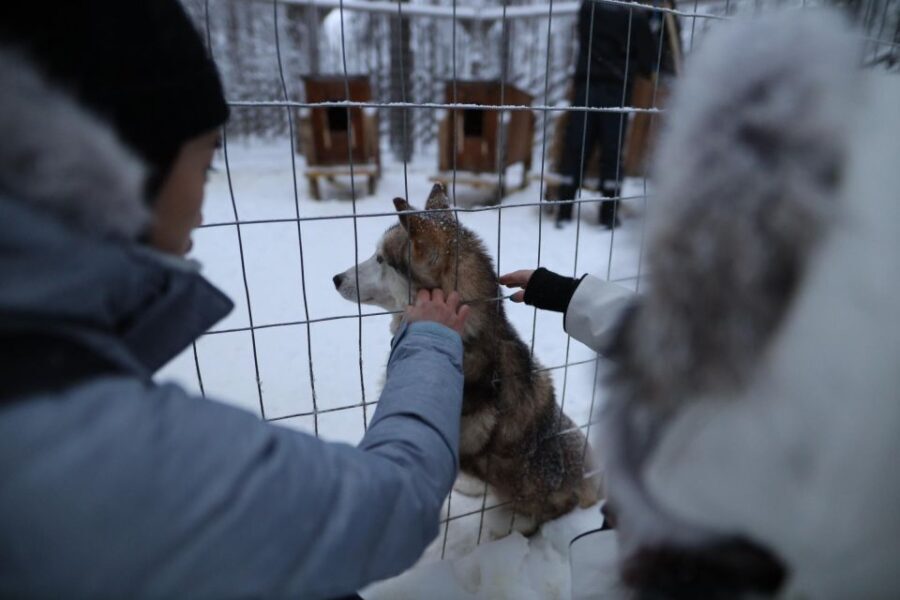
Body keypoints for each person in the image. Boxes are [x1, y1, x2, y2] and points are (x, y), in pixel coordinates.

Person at [0, 2, 469, 598]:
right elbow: (391, 506)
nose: (202, 206)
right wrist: (429, 342)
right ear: (123, 168)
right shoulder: (88, 439)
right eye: (206, 164)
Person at [505, 10, 900, 598]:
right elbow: (684, 339)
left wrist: (651, 547)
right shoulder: (808, 340)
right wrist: (563, 291)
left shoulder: (799, 496)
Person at [556, 0, 658, 228]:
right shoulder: (636, 16)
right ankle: (608, 216)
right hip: (616, 89)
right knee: (611, 152)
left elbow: (584, 33)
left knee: (577, 147)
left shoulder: (590, 7)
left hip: (586, 86)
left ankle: (564, 211)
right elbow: (648, 61)